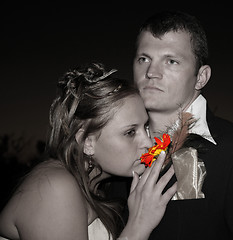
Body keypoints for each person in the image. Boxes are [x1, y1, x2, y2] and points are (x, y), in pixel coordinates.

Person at [132, 10, 233, 239]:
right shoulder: (117, 148)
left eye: (171, 61)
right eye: (144, 59)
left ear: (201, 77)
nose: (151, 72)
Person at [0, 63, 177, 240]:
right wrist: (138, 226)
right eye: (130, 132)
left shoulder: (99, 187)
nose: (148, 142)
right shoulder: (53, 187)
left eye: (145, 127)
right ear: (87, 142)